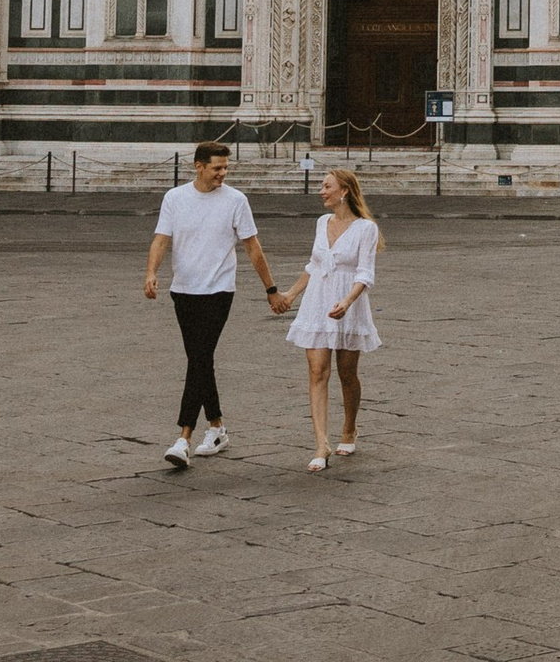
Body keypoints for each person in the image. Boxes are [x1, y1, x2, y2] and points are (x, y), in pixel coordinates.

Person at [143, 143, 281, 467]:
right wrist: (151, 272)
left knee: (200, 357)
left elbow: (253, 248)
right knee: (199, 360)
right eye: (217, 168)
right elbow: (161, 239)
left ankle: (183, 438)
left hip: (219, 291)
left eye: (225, 169)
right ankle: (217, 427)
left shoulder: (236, 201)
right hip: (184, 290)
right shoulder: (174, 199)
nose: (222, 174)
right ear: (198, 166)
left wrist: (271, 289)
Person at [273, 163, 381, 470]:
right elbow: (314, 265)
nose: (321, 191)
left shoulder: (366, 228)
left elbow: (365, 273)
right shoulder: (321, 222)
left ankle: (349, 427)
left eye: (327, 186)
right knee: (317, 372)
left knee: (347, 373)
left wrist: (347, 302)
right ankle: (321, 444)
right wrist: (290, 296)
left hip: (349, 304)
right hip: (317, 303)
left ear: (344, 191)